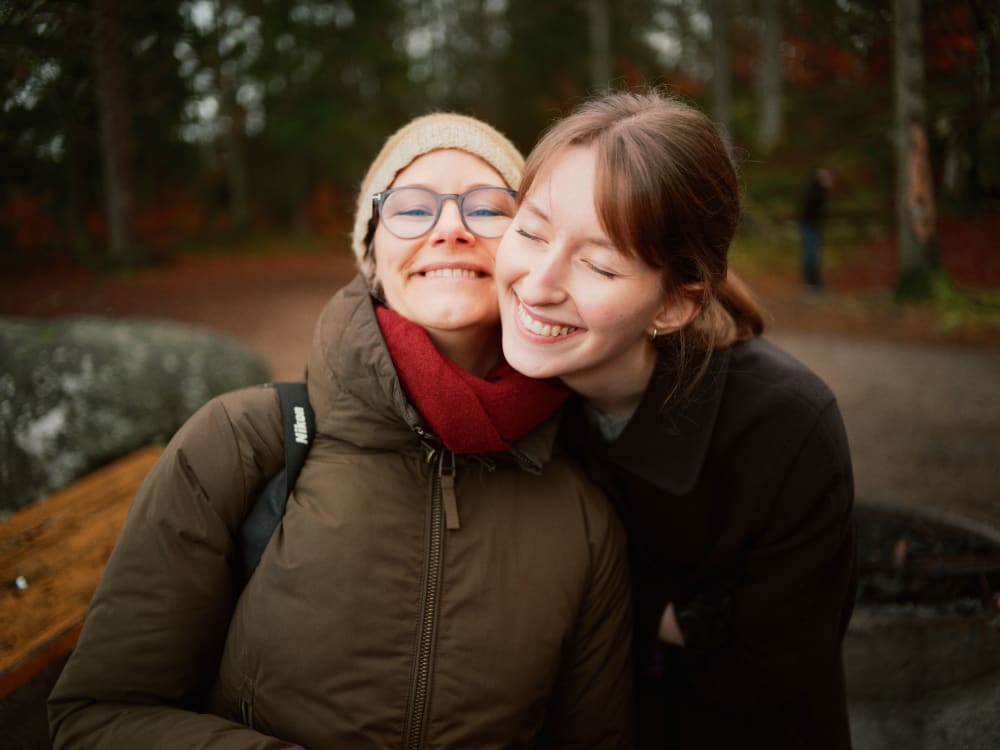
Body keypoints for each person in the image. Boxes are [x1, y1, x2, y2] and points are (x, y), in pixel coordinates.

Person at [48, 113, 634, 749]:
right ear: (372, 258)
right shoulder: (240, 444)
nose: (450, 229)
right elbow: (97, 716)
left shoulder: (581, 515)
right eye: (411, 209)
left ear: (530, 250)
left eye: (490, 208)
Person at [495, 90, 857, 749]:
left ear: (674, 305)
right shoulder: (488, 373)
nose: (537, 283)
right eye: (530, 229)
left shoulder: (785, 429)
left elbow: (779, 673)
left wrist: (641, 615)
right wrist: (670, 618)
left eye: (597, 263)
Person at [798, 166, 835, 294]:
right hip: (810, 227)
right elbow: (809, 211)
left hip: (812, 227)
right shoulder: (815, 192)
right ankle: (811, 284)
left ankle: (814, 283)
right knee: (811, 255)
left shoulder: (818, 191)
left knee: (813, 255)